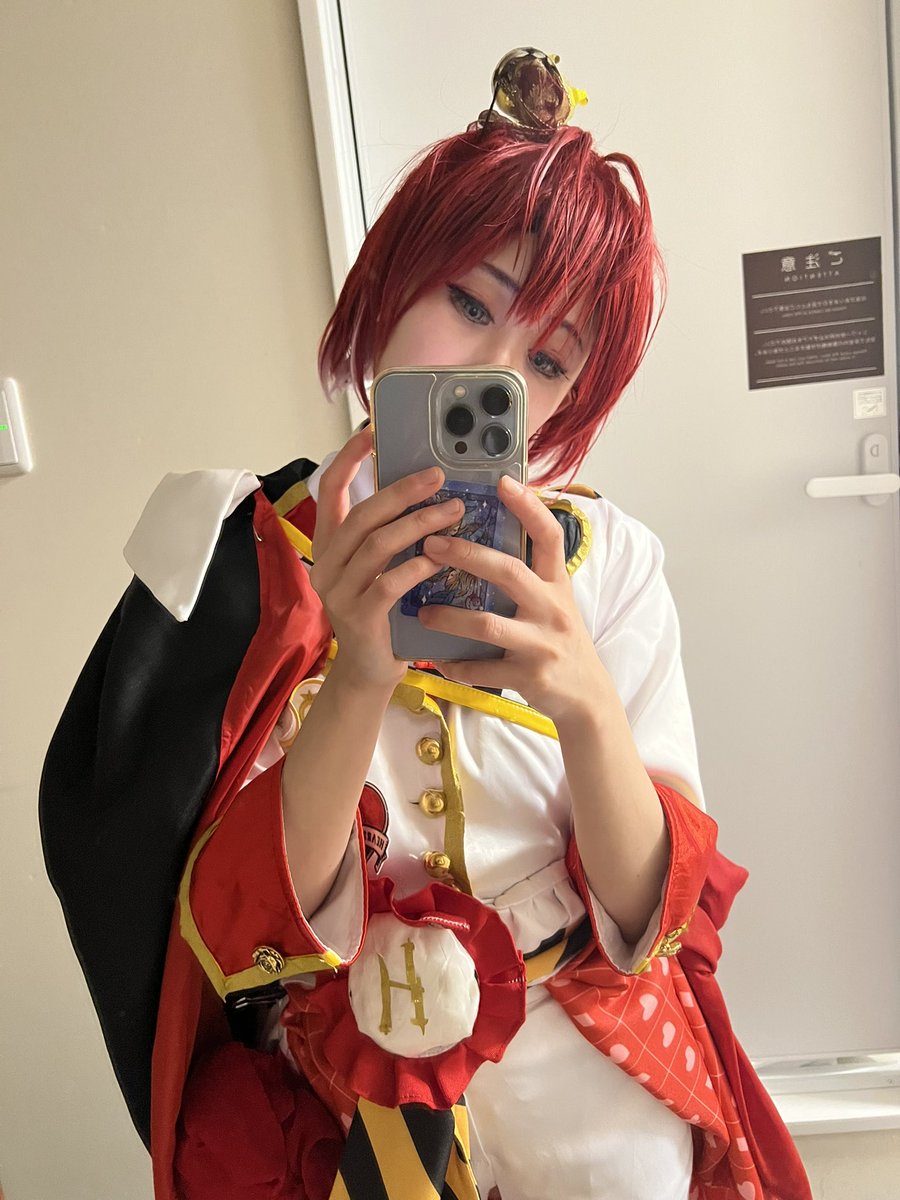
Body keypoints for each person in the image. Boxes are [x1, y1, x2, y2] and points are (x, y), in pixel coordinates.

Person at [41, 48, 813, 1200]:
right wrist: (358, 675)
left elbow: (652, 917)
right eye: (470, 302)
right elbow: (253, 930)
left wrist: (583, 702)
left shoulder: (611, 567)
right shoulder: (251, 557)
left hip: (588, 1078)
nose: (493, 370)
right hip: (345, 1086)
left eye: (547, 359)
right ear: (396, 278)